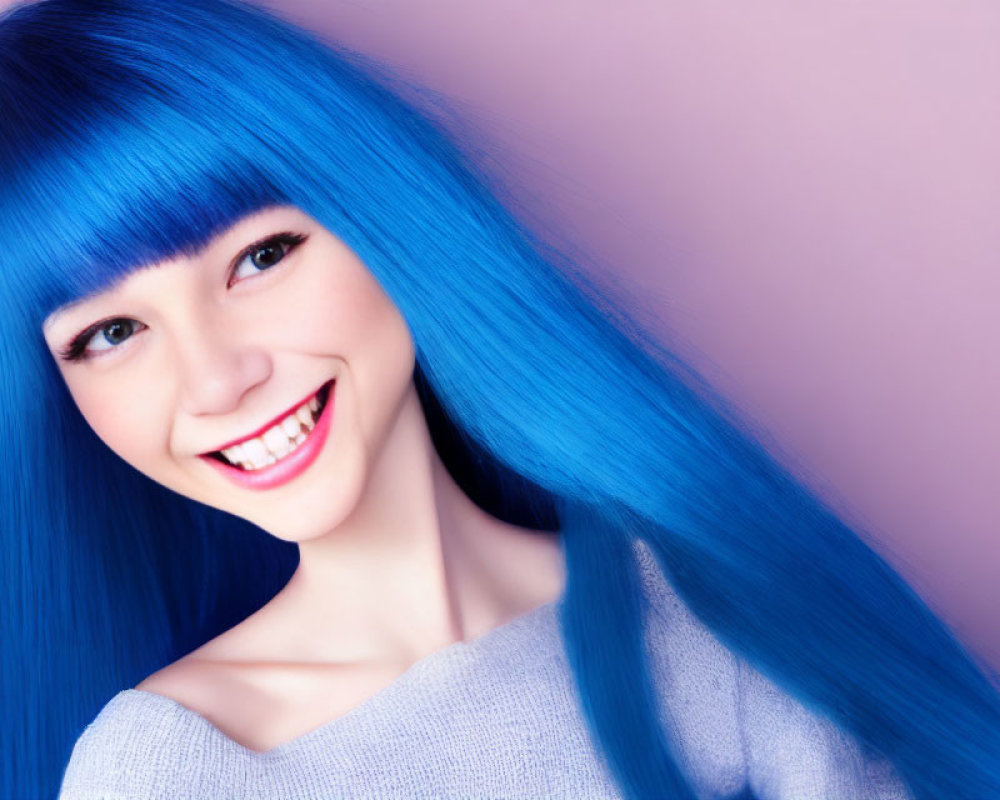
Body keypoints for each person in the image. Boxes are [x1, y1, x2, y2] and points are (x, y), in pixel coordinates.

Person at [0, 0, 996, 798]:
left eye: (260, 256)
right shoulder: (174, 769)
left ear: (384, 221)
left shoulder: (711, 619)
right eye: (110, 334)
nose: (218, 377)